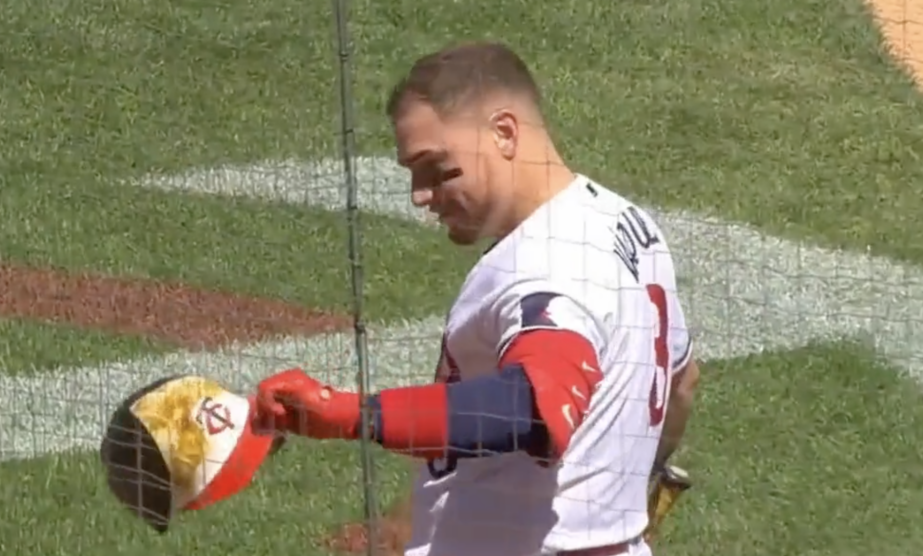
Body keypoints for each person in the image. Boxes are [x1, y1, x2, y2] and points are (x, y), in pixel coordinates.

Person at [252, 41, 701, 556]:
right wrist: (618, 497)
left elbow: (534, 409)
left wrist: (353, 414)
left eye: (437, 167)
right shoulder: (627, 222)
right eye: (412, 173)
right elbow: (682, 381)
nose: (419, 194)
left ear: (504, 132)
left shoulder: (547, 267)